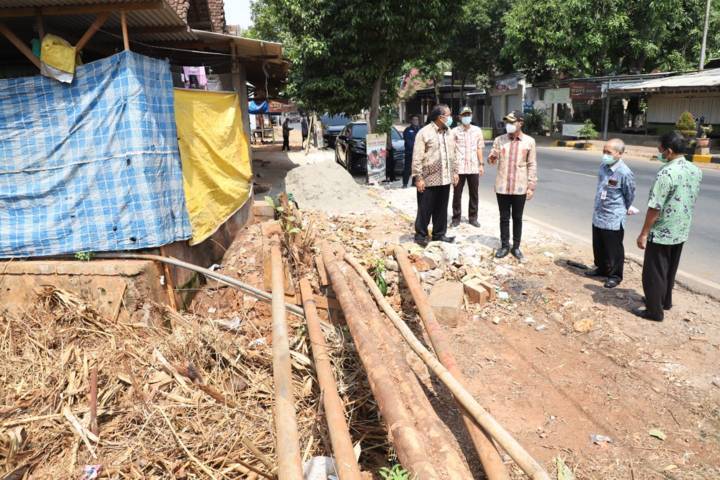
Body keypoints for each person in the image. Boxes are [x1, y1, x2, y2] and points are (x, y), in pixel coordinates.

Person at [633, 131, 702, 321]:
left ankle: (654, 311)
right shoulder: (695, 170)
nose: (659, 153)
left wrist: (643, 233)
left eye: (660, 150)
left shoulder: (666, 172)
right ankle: (664, 301)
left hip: (663, 230)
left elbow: (655, 207)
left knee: (654, 272)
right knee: (670, 268)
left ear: (669, 151)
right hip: (681, 228)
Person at [585, 139, 636, 289]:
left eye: (609, 153)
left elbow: (630, 194)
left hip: (613, 216)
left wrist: (622, 208)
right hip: (599, 213)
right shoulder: (603, 167)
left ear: (619, 154)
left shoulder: (624, 172)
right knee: (599, 244)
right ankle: (601, 268)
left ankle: (615, 275)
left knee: (613, 248)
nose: (605, 155)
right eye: (604, 152)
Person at [488, 111, 537, 261]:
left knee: (517, 217)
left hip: (519, 187)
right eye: (507, 122)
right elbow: (491, 162)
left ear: (520, 123)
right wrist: (492, 156)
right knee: (504, 217)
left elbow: (532, 164)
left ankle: (516, 247)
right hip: (502, 186)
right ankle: (504, 245)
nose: (508, 125)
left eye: (511, 122)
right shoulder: (499, 140)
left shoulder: (529, 141)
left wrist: (531, 186)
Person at [412, 104, 459, 247]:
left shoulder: (449, 132)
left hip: (445, 178)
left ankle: (439, 234)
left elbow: (454, 154)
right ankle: (421, 235)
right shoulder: (424, 133)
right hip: (428, 179)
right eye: (448, 115)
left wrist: (455, 172)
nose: (451, 118)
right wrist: (418, 177)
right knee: (425, 209)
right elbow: (417, 156)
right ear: (440, 117)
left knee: (441, 209)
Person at [451, 106, 484, 228]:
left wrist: (481, 164)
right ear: (460, 117)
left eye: (468, 114)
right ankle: (456, 218)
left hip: (473, 167)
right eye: (464, 115)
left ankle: (473, 218)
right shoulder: (454, 131)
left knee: (474, 193)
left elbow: (479, 148)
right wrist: (453, 170)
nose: (466, 117)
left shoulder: (477, 131)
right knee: (457, 194)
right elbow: (452, 151)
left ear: (471, 115)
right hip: (459, 168)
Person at [403, 115, 421, 188]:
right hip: (410, 152)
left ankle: (414, 183)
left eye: (417, 120)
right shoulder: (407, 130)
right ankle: (405, 184)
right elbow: (408, 141)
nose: (415, 121)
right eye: (414, 120)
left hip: (418, 153)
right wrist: (415, 147)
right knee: (407, 169)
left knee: (416, 168)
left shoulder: (420, 129)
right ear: (411, 121)